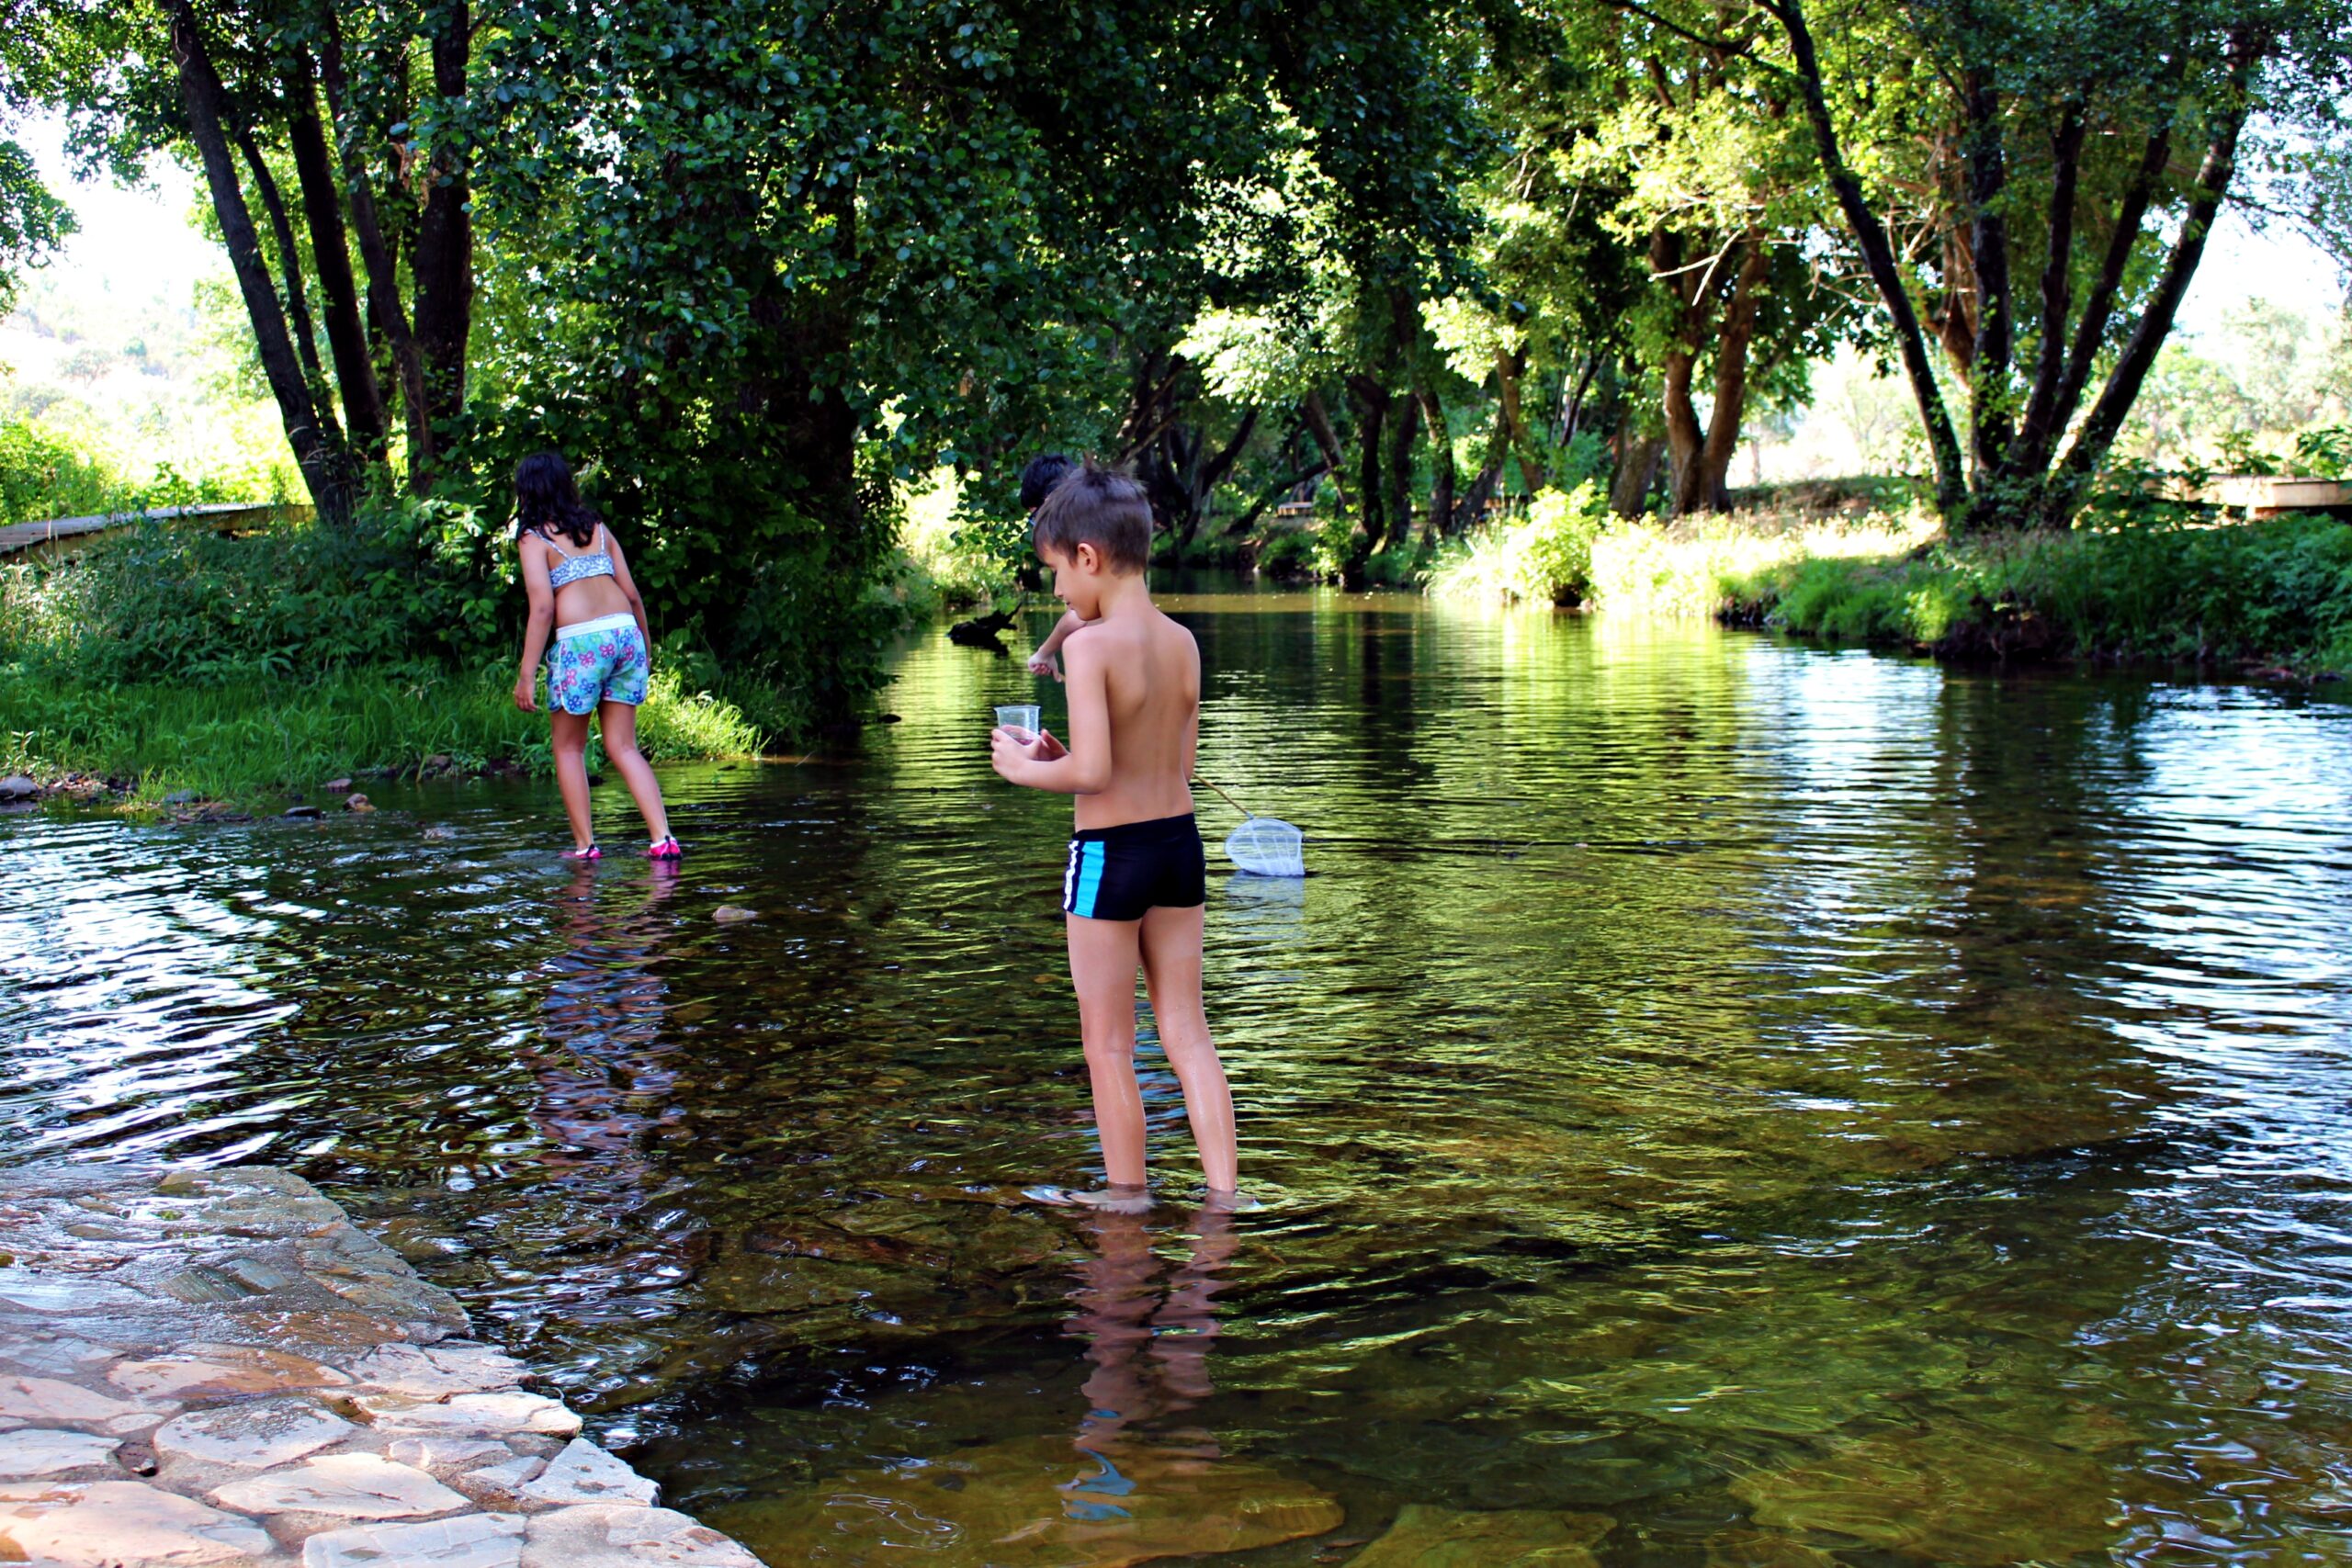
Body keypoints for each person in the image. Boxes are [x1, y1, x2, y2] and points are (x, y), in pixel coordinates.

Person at [990, 461, 1238, 1210]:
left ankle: (1127, 1201)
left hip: (1110, 857)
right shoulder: (1184, 642)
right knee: (1189, 1033)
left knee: (1107, 1045)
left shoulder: (1088, 646)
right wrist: (1071, 760)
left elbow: (1096, 776)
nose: (1059, 593)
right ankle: (1226, 1198)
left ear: (1089, 556)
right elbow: (1175, 764)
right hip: (1178, 848)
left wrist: (1023, 769)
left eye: (1058, 575)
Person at [509, 451, 683, 862]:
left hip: (582, 642)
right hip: (625, 636)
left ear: (527, 492)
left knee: (569, 748)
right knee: (624, 747)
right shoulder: (597, 528)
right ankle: (663, 840)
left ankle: (585, 847)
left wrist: (526, 674)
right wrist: (645, 648)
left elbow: (544, 608)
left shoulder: (535, 537)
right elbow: (634, 594)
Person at [1021, 453, 1089, 682]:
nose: (1057, 592)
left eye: (1034, 517)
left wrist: (1046, 651)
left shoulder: (1078, 542)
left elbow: (1079, 615)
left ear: (1050, 502)